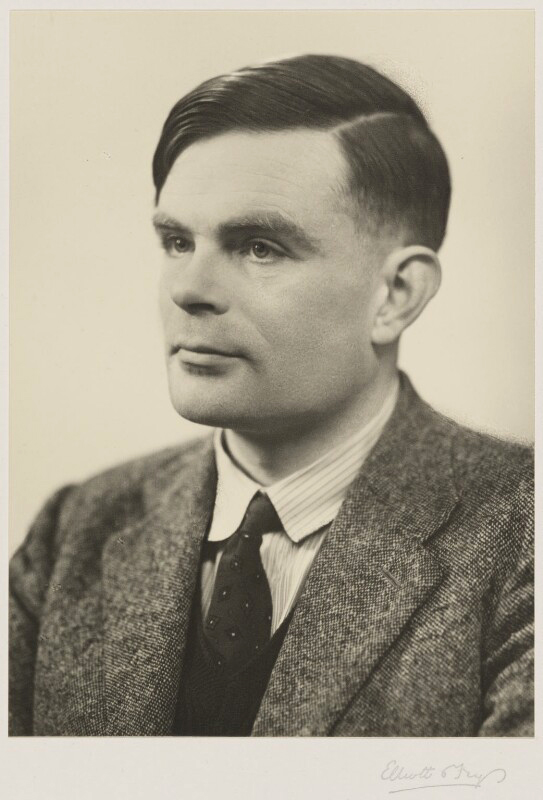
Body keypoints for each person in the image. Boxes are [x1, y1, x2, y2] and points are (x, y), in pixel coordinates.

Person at [9, 54, 533, 737]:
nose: (188, 290)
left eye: (259, 247)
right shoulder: (75, 530)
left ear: (396, 294)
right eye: (176, 241)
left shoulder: (522, 532)